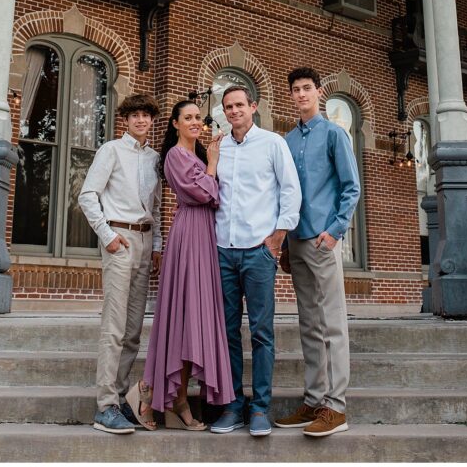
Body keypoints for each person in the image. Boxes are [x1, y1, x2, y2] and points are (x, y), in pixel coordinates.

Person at [126, 99, 235, 431]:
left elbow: (217, 194)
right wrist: (213, 165)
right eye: (187, 117)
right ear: (174, 123)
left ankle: (173, 395)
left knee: (196, 322)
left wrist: (211, 164)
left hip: (206, 239)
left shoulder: (200, 155)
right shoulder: (175, 155)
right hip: (188, 238)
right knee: (184, 319)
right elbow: (203, 193)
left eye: (197, 118)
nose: (194, 122)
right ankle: (154, 391)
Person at [210, 85, 302, 438]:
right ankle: (233, 404)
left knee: (262, 332)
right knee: (228, 332)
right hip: (223, 249)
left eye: (239, 106)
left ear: (254, 106)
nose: (234, 111)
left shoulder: (272, 143)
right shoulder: (219, 146)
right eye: (228, 107)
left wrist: (278, 237)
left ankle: (261, 406)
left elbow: (290, 190)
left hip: (258, 251)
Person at [275, 67, 361, 438]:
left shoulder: (334, 134)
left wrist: (335, 231)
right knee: (309, 324)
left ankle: (336, 407)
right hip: (295, 242)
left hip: (322, 241)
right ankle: (313, 400)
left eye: (306, 88)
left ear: (319, 92)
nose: (300, 95)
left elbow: (351, 187)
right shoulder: (288, 140)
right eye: (295, 90)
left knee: (332, 325)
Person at [78, 93, 162, 436]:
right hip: (119, 239)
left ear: (152, 120)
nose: (141, 120)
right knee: (113, 326)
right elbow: (87, 195)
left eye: (146, 115)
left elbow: (155, 207)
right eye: (135, 115)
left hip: (144, 241)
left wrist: (156, 246)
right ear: (125, 120)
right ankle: (105, 406)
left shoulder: (156, 158)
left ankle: (120, 397)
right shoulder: (111, 150)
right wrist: (107, 235)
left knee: (132, 329)